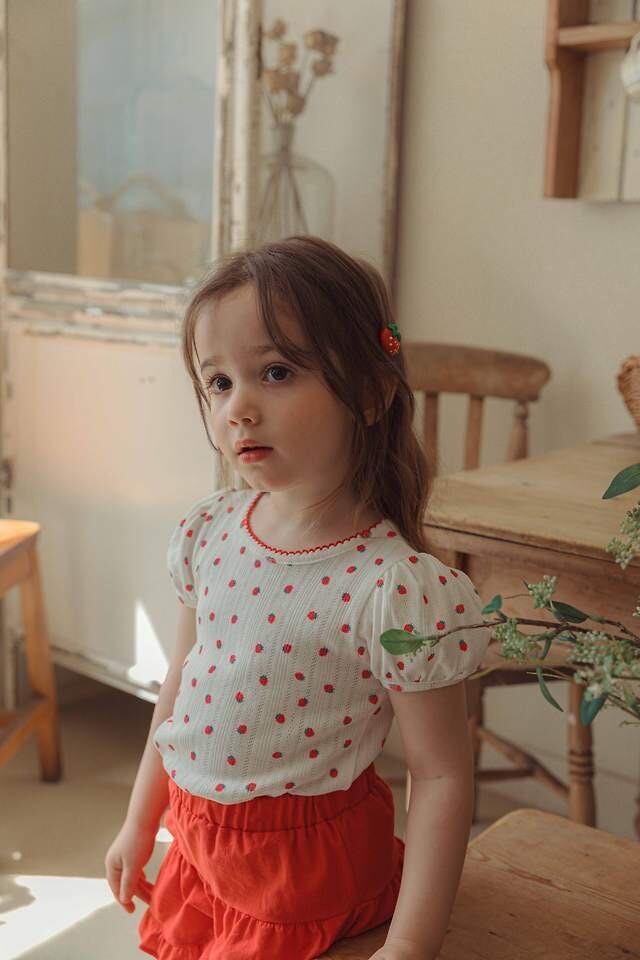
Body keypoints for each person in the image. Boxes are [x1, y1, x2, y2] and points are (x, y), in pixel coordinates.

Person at [105, 235, 492, 960]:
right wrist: (139, 821)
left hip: (303, 882)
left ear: (370, 392)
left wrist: (410, 943)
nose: (239, 408)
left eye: (276, 372)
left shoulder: (394, 589)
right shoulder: (210, 531)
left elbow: (440, 775)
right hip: (201, 853)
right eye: (218, 382)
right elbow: (180, 688)